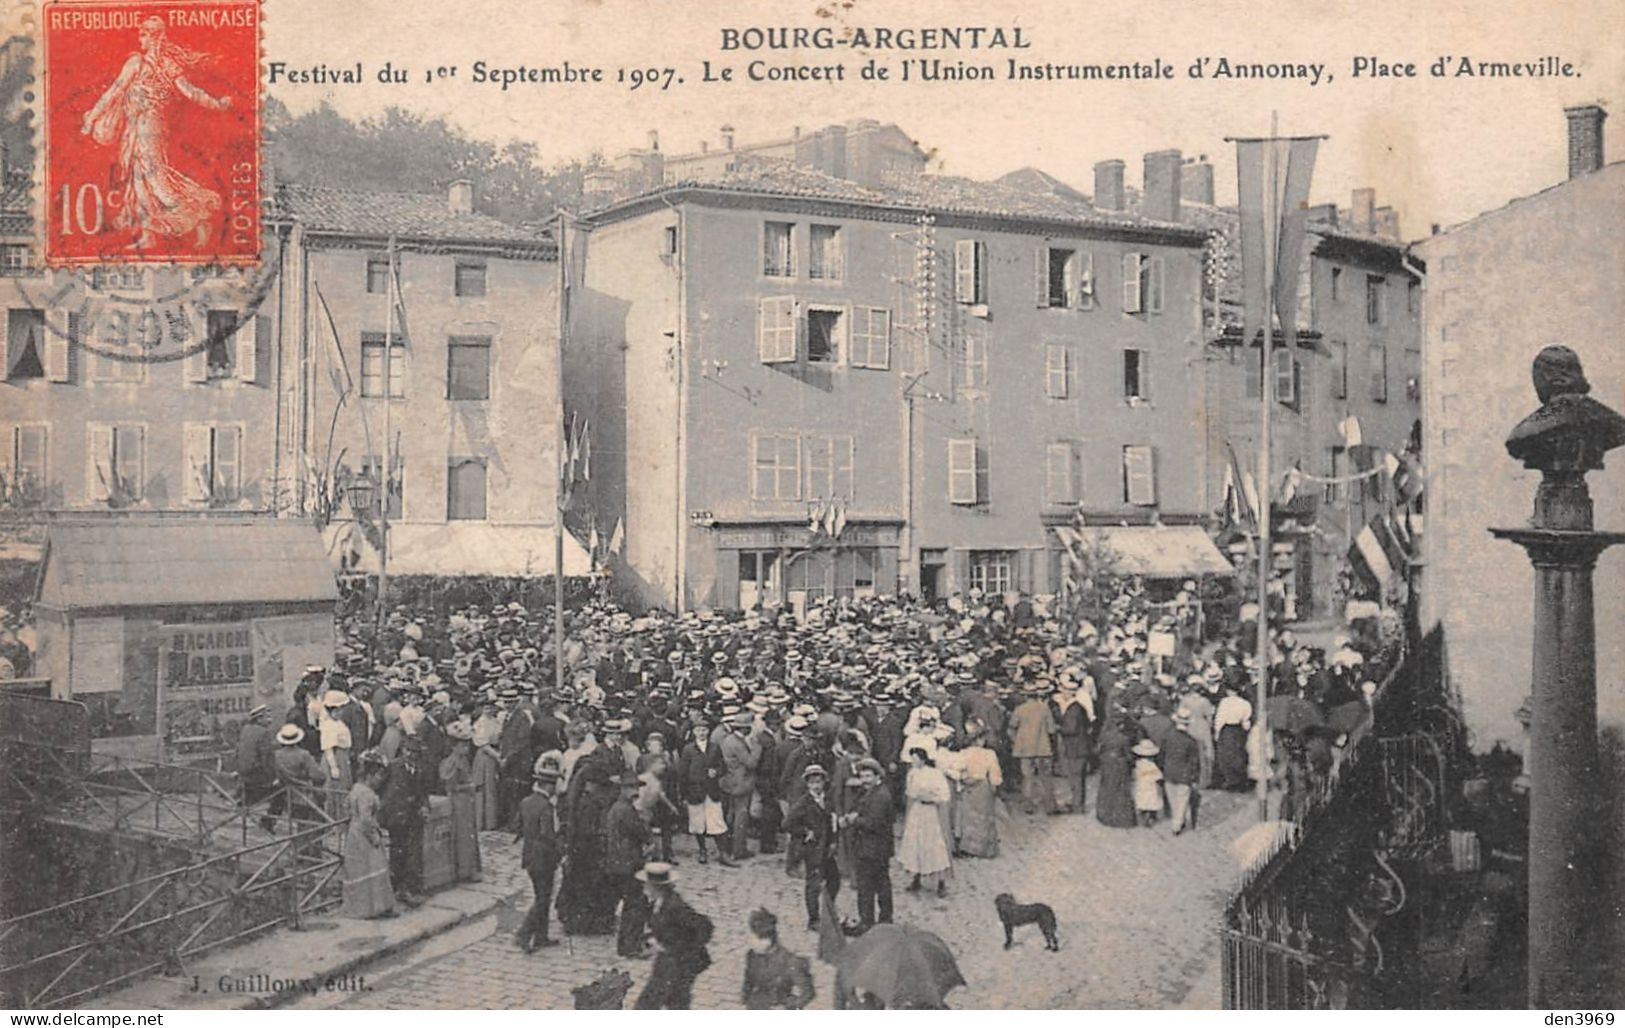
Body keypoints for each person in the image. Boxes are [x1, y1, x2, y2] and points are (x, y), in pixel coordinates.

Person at [80, 15, 229, 251]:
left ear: (155, 36)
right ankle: (148, 236)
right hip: (135, 128)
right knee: (138, 180)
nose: (140, 38)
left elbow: (189, 91)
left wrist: (217, 104)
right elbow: (115, 93)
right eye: (141, 33)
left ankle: (197, 213)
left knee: (154, 178)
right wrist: (93, 117)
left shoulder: (154, 64)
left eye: (144, 34)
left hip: (149, 127)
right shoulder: (146, 63)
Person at [634, 862, 714, 1010]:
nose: (643, 887)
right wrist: (655, 940)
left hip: (681, 964)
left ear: (655, 887)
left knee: (653, 1003)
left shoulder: (676, 907)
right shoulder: (657, 902)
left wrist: (674, 947)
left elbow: (704, 927)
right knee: (669, 1002)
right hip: (668, 961)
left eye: (646, 884)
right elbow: (662, 927)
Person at [514, 753, 563, 952]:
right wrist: (560, 852)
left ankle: (541, 937)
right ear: (549, 786)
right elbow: (548, 835)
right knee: (543, 899)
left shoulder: (526, 802)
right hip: (544, 859)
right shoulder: (546, 807)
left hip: (529, 857)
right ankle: (524, 934)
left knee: (541, 896)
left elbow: (517, 826)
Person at [341, 750, 397, 919]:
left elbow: (347, 808)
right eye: (378, 776)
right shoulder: (366, 793)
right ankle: (372, 908)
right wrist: (374, 836)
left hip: (354, 833)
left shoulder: (356, 788)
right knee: (373, 867)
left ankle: (367, 907)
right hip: (363, 835)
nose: (380, 780)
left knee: (361, 869)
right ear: (370, 775)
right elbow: (366, 819)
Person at [783, 764, 838, 930]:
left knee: (834, 881)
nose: (816, 785)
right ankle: (813, 919)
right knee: (813, 885)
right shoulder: (803, 803)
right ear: (807, 784)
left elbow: (833, 822)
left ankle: (828, 910)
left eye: (819, 782)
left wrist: (834, 840)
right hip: (812, 850)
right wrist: (805, 832)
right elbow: (787, 824)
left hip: (827, 847)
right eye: (813, 782)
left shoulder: (827, 800)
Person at [842, 757, 894, 930]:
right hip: (876, 848)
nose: (864, 780)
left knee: (867, 887)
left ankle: (867, 923)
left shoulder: (880, 796)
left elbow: (874, 823)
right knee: (881, 884)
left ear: (877, 776)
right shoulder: (872, 792)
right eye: (862, 776)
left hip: (872, 849)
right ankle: (885, 920)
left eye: (868, 776)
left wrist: (855, 819)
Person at [605, 772, 653, 958]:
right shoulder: (625, 810)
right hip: (628, 863)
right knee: (635, 905)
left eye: (637, 788)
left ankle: (626, 945)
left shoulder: (619, 807)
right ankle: (630, 946)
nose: (636, 791)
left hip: (619, 863)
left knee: (631, 904)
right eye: (631, 788)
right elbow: (640, 831)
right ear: (623, 789)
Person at [898, 745, 953, 897]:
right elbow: (909, 792)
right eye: (912, 759)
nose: (914, 762)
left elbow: (945, 795)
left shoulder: (936, 774)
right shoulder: (912, 773)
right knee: (915, 843)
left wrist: (932, 798)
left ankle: (941, 882)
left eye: (916, 759)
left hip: (931, 813)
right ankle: (916, 878)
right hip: (917, 812)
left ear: (923, 759)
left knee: (934, 845)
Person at [741, 908, 815, 1009]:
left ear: (768, 940)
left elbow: (808, 993)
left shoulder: (790, 962)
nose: (751, 942)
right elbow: (748, 979)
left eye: (756, 938)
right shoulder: (752, 955)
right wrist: (746, 998)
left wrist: (789, 1006)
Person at [678, 722, 730, 866]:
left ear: (708, 731)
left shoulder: (714, 747)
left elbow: (723, 766)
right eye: (698, 730)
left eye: (704, 730)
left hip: (711, 790)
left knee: (717, 820)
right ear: (694, 732)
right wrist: (683, 795)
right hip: (694, 791)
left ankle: (723, 853)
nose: (701, 733)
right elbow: (682, 773)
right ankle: (702, 851)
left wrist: (716, 772)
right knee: (697, 822)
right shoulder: (688, 749)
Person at [949, 721, 1003, 857]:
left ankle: (968, 846)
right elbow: (995, 773)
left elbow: (956, 770)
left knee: (968, 816)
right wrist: (995, 785)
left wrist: (963, 779)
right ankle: (983, 848)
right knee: (984, 817)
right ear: (979, 740)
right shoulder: (989, 754)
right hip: (983, 786)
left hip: (968, 786)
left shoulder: (963, 753)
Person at [439, 720, 483, 883]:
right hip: (458, 801)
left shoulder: (463, 760)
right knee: (462, 835)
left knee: (468, 833)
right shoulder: (452, 762)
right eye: (462, 745)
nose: (466, 748)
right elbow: (451, 786)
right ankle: (462, 869)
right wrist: (469, 787)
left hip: (465, 801)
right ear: (454, 746)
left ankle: (469, 867)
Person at [715, 711, 760, 862]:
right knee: (741, 818)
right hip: (741, 783)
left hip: (730, 782)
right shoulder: (738, 744)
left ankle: (728, 847)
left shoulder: (728, 740)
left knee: (731, 816)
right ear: (744, 728)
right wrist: (756, 747)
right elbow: (751, 763)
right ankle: (738, 849)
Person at [1008, 682, 1057, 815]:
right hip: (1043, 748)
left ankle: (1028, 805)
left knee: (1027, 777)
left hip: (1024, 749)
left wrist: (1016, 741)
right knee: (1045, 777)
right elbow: (1052, 730)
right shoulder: (1044, 708)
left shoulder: (1019, 709)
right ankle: (1050, 806)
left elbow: (1011, 727)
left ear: (1024, 695)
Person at [271, 723, 325, 826]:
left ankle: (297, 840)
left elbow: (277, 774)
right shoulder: (303, 754)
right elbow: (318, 776)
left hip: (288, 794)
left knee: (297, 822)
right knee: (311, 824)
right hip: (305, 794)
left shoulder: (277, 755)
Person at [1052, 685, 1092, 814]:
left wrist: (1057, 727)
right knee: (1077, 777)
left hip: (1075, 747)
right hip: (1080, 746)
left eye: (1063, 691)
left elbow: (1070, 729)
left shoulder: (1073, 709)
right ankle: (1077, 803)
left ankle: (1077, 806)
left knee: (1075, 777)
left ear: (1069, 693)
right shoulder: (1078, 707)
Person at [236, 705, 276, 831]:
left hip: (244, 772)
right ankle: (267, 822)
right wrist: (274, 777)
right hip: (256, 774)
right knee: (281, 790)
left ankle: (244, 802)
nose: (270, 719)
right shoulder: (264, 733)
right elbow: (266, 759)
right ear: (259, 719)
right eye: (267, 717)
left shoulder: (246, 729)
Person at [1163, 709, 1202, 834]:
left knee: (1173, 798)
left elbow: (1161, 754)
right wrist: (1195, 777)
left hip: (1169, 771)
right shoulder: (1190, 741)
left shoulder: (1167, 736)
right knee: (1182, 799)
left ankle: (1178, 820)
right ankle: (1177, 824)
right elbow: (1194, 762)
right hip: (1184, 774)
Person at [1094, 718, 1137, 829]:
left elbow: (1097, 750)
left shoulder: (1104, 736)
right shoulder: (1123, 738)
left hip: (1106, 763)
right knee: (1121, 790)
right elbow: (1128, 756)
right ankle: (1121, 818)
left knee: (1107, 788)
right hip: (1119, 764)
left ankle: (1105, 816)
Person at [470, 698, 504, 831]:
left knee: (492, 788)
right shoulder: (481, 723)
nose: (489, 710)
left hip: (494, 754)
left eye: (491, 707)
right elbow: (483, 744)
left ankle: (492, 821)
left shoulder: (495, 721)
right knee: (484, 787)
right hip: (486, 756)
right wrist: (497, 756)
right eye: (486, 708)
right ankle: (482, 821)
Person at [319, 691, 355, 818]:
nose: (341, 712)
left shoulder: (338, 723)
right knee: (336, 789)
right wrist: (334, 767)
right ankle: (335, 819)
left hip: (343, 756)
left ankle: (342, 817)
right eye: (339, 709)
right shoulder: (329, 725)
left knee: (344, 787)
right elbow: (328, 748)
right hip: (335, 757)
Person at [1214, 685, 1253, 792]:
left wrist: (1217, 732)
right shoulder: (1245, 703)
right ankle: (1240, 781)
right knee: (1239, 754)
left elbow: (1220, 718)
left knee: (1227, 755)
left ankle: (1231, 781)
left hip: (1227, 730)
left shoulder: (1225, 702)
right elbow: (1246, 720)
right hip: (1239, 730)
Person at [1131, 739, 1164, 827]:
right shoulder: (1152, 766)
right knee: (1152, 802)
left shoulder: (1138, 764)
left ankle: (1143, 814)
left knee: (1142, 801)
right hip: (1150, 787)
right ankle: (1151, 817)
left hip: (1141, 787)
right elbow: (1158, 776)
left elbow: (1134, 775)